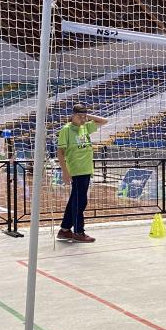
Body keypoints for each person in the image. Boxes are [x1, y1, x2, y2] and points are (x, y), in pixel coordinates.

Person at [56, 103, 107, 243]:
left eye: (84, 117)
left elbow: (104, 121)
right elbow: (60, 152)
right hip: (76, 170)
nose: (83, 120)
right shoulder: (66, 130)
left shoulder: (85, 127)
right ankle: (78, 232)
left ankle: (65, 230)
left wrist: (86, 116)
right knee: (80, 202)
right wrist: (65, 172)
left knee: (75, 201)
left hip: (86, 170)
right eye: (80, 117)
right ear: (73, 115)